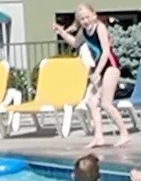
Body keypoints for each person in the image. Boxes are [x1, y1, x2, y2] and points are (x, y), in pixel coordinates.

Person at [55, 6, 131, 149]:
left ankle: (124, 133)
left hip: (110, 66)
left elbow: (106, 51)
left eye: (87, 17)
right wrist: (61, 32)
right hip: (101, 68)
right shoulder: (83, 32)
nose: (85, 21)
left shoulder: (100, 27)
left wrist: (97, 72)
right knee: (91, 101)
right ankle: (99, 137)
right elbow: (75, 43)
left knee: (106, 103)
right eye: (82, 19)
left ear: (94, 15)